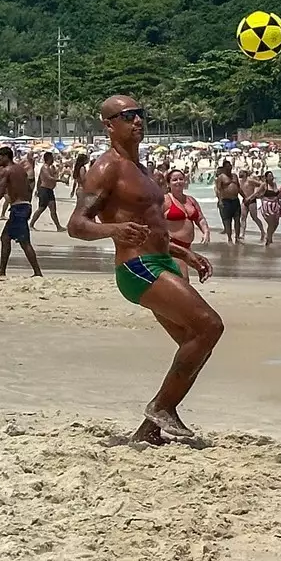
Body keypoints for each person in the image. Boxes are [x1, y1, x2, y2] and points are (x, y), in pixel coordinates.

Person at [68, 96, 221, 444]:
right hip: (136, 267)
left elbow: (152, 228)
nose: (137, 120)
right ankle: (162, 407)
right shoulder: (106, 168)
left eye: (140, 114)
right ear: (109, 125)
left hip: (161, 261)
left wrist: (185, 253)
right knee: (209, 326)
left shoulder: (142, 170)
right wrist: (113, 230)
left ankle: (148, 432)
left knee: (194, 343)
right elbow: (76, 224)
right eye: (128, 116)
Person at [0, 145, 44, 279]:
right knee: (6, 238)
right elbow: (29, 187)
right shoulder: (20, 169)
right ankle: (2, 270)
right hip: (24, 206)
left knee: (24, 242)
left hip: (18, 209)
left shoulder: (7, 171)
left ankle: (37, 272)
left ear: (6, 157)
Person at [163, 168, 209, 250]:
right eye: (174, 180)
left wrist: (206, 232)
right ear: (168, 184)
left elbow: (200, 219)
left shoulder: (191, 200)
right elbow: (153, 221)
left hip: (187, 246)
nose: (178, 182)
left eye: (181, 179)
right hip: (171, 245)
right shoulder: (165, 200)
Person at [30, 151, 66, 231]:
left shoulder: (51, 167)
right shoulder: (44, 167)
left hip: (49, 190)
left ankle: (58, 227)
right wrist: (60, 180)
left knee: (53, 209)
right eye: (52, 158)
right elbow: (49, 178)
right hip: (44, 190)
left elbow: (53, 174)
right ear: (48, 158)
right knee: (41, 208)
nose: (53, 159)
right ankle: (31, 224)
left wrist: (59, 169)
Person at [214, 162, 244, 244]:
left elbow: (239, 188)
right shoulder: (221, 177)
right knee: (228, 221)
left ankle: (237, 238)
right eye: (227, 167)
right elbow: (218, 190)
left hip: (235, 200)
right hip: (226, 201)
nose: (229, 168)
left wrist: (245, 197)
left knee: (237, 219)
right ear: (224, 168)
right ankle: (229, 238)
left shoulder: (234, 176)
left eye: (230, 166)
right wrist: (220, 201)